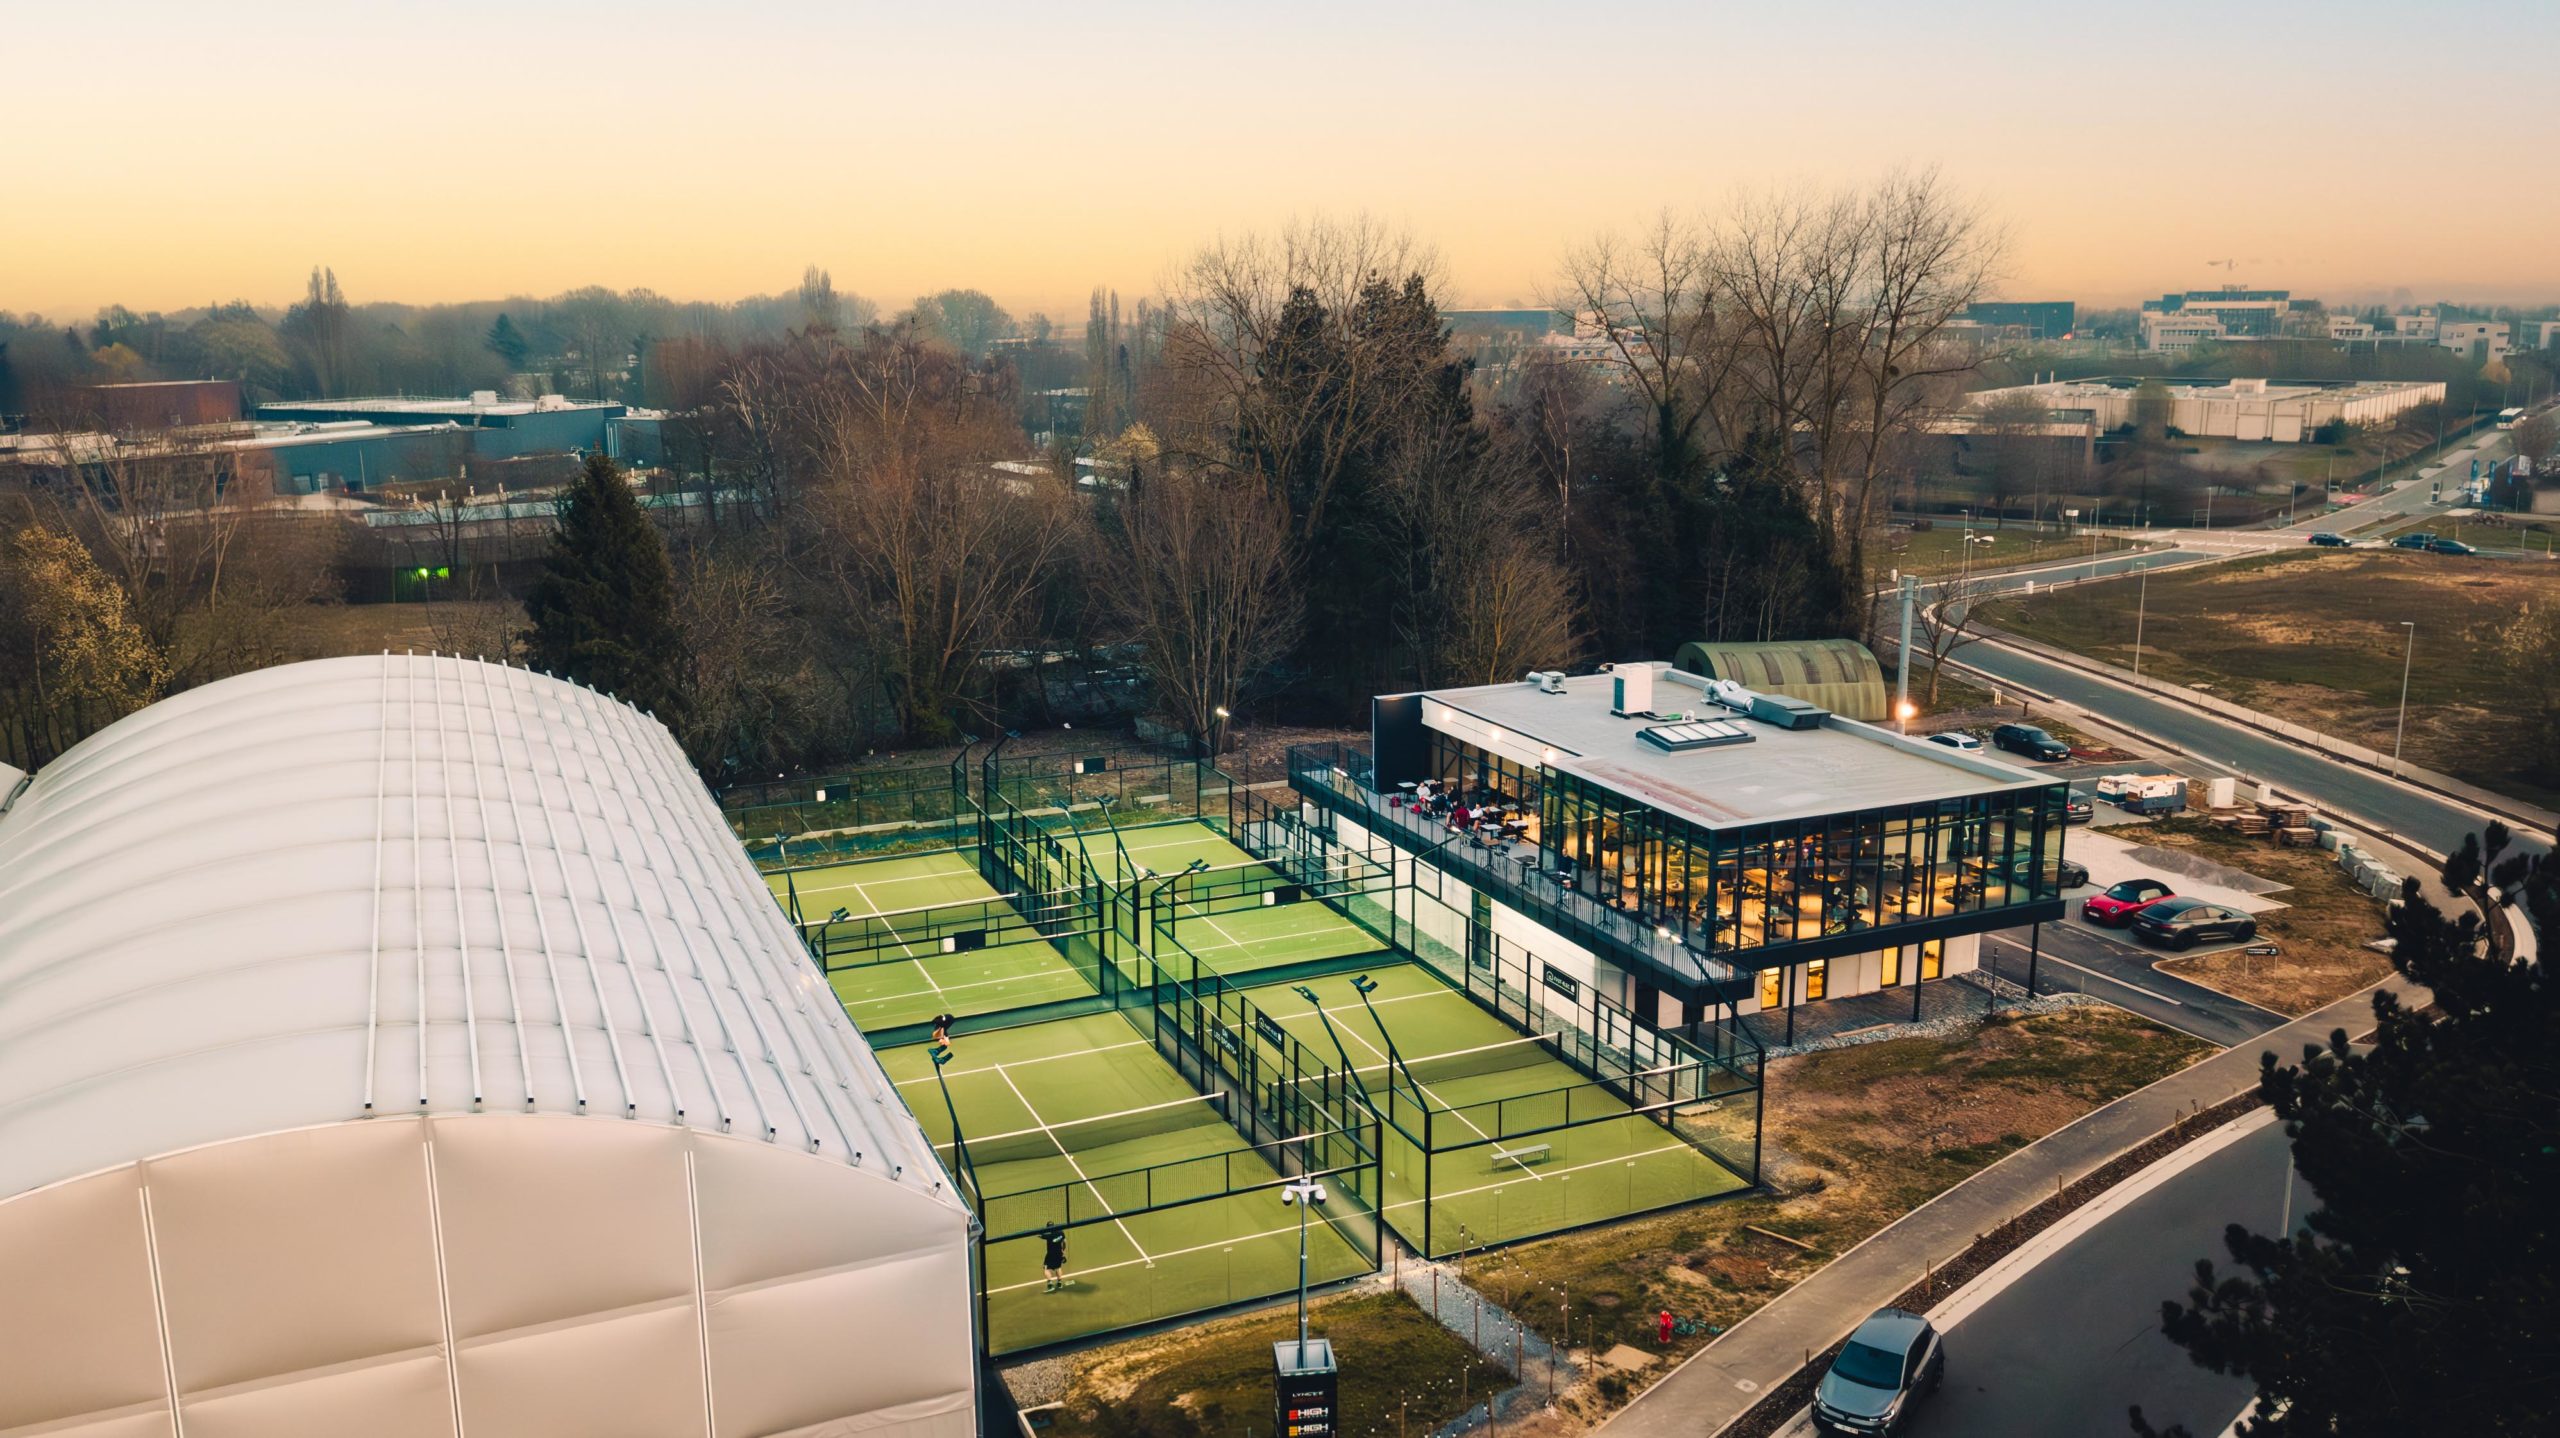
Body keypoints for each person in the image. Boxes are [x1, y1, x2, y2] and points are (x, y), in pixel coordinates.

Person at [1041, 1222, 1070, 1292]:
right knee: (1058, 1267)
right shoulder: (1061, 1233)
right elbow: (1065, 1242)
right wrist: (1063, 1250)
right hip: (1059, 1253)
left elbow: (1038, 1235)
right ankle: (1059, 1283)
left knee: (1046, 1268)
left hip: (1050, 1254)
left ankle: (1050, 1285)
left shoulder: (1048, 1236)